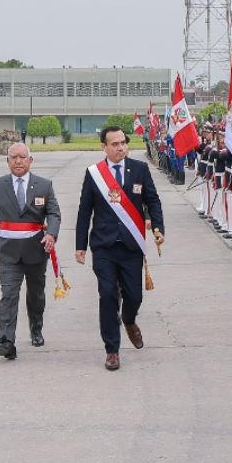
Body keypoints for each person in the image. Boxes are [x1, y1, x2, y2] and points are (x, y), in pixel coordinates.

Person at [75, 126, 165, 370]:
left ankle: (129, 319)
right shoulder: (94, 174)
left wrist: (158, 228)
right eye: (114, 144)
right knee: (107, 294)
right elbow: (85, 210)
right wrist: (80, 245)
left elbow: (153, 201)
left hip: (131, 245)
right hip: (103, 246)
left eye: (123, 142)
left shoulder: (139, 169)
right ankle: (112, 349)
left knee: (134, 296)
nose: (120, 148)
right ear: (103, 147)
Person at [0, 142, 60, 358]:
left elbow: (54, 213)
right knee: (8, 295)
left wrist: (51, 234)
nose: (18, 161)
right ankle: (6, 341)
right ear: (7, 161)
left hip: (36, 251)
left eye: (22, 157)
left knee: (35, 295)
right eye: (13, 157)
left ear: (30, 160)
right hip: (8, 252)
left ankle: (36, 328)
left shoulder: (44, 185)